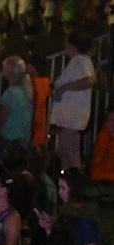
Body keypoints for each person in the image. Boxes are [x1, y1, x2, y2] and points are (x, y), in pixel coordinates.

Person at [49, 33, 96, 170]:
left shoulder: (80, 60)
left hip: (72, 117)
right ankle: (69, 179)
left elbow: (89, 80)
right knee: (64, 151)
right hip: (69, 118)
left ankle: (74, 179)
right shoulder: (79, 61)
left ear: (71, 46)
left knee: (69, 153)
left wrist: (63, 88)